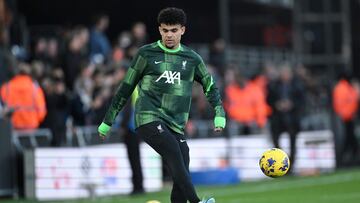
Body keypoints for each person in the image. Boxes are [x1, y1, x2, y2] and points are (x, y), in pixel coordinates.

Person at [97, 7, 225, 203]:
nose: (169, 35)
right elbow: (125, 88)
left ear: (182, 30)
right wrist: (108, 121)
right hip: (148, 117)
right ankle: (197, 201)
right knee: (173, 152)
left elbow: (210, 87)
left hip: (175, 122)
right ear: (159, 30)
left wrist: (219, 113)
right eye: (165, 30)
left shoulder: (192, 59)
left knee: (183, 161)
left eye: (174, 30)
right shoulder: (146, 54)